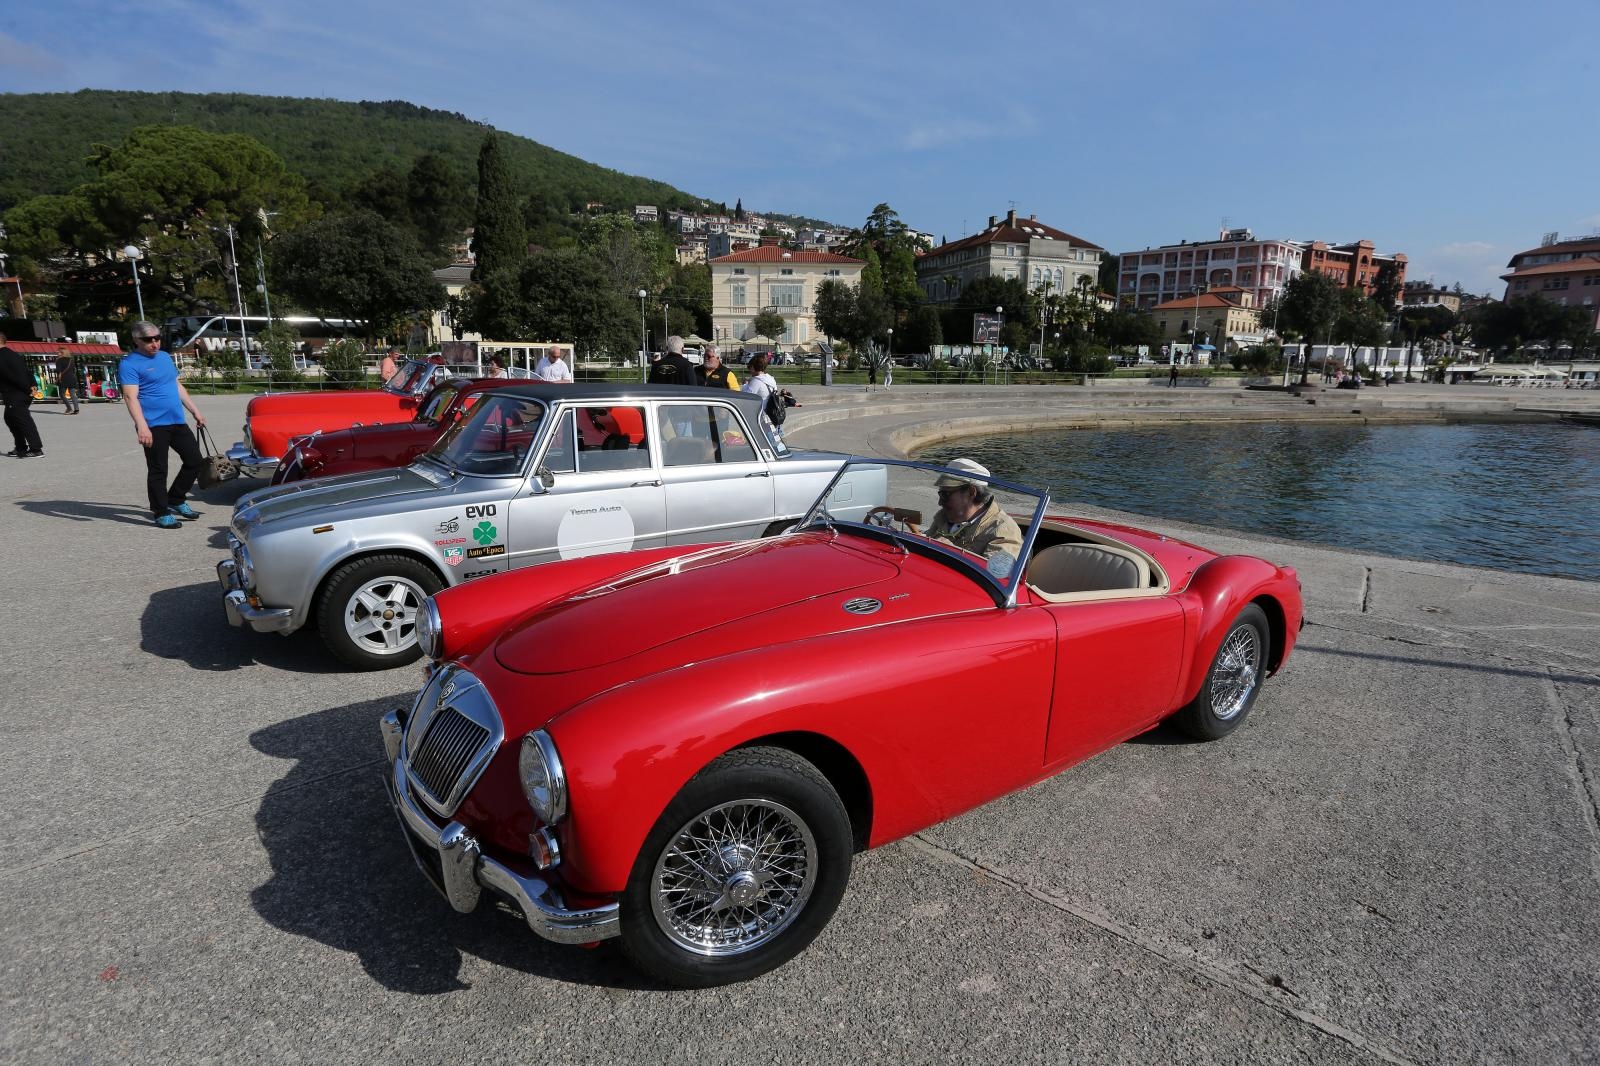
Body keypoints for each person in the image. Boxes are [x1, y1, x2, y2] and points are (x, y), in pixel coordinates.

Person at [119, 321, 207, 529]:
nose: (154, 343)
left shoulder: (165, 357)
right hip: (153, 424)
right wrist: (142, 426)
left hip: (176, 420)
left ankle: (176, 498)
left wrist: (194, 410)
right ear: (136, 340)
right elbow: (130, 397)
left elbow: (176, 385)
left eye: (157, 338)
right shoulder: (129, 364)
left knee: (195, 461)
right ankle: (160, 511)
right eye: (148, 340)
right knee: (159, 469)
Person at [879, 459, 1024, 579]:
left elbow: (996, 576)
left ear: (971, 492)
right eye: (940, 494)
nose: (940, 502)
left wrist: (953, 552)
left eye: (945, 495)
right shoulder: (944, 516)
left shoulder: (1004, 529)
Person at [0, 332, 44, 457]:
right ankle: (21, 447)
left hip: (16, 392)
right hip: (21, 391)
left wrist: (28, 389)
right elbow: (27, 371)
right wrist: (33, 385)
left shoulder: (2, 356)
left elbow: (12, 376)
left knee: (23, 420)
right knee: (10, 418)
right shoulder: (13, 354)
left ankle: (36, 449)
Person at [55, 347, 81, 414]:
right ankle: (76, 409)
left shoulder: (59, 360)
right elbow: (73, 370)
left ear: (62, 353)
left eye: (58, 352)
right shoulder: (71, 360)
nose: (57, 353)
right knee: (73, 394)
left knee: (62, 394)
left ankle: (69, 409)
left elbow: (58, 370)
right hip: (72, 379)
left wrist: (57, 376)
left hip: (64, 379)